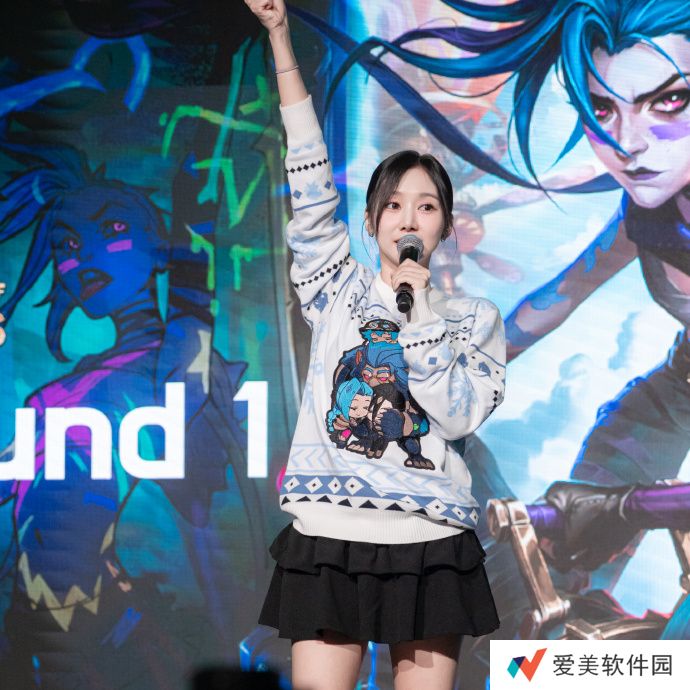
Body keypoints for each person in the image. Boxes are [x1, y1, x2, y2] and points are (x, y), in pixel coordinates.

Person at [244, 2, 506, 689]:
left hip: (429, 540)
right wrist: (281, 39)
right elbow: (308, 180)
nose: (408, 217)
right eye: (393, 204)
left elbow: (455, 415)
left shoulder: (474, 319)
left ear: (445, 224)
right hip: (330, 534)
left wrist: (418, 318)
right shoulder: (336, 289)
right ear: (370, 221)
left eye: (426, 205)